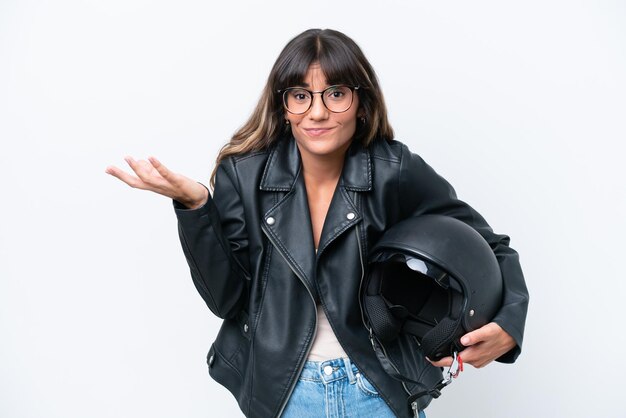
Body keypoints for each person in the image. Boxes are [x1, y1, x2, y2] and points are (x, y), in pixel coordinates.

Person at [106, 28, 529, 418]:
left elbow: (490, 244)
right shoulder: (244, 175)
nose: (318, 112)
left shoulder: (393, 170)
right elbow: (227, 300)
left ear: (360, 102)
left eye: (336, 94)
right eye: (301, 95)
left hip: (377, 388)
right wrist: (196, 206)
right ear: (284, 105)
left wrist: (508, 324)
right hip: (285, 393)